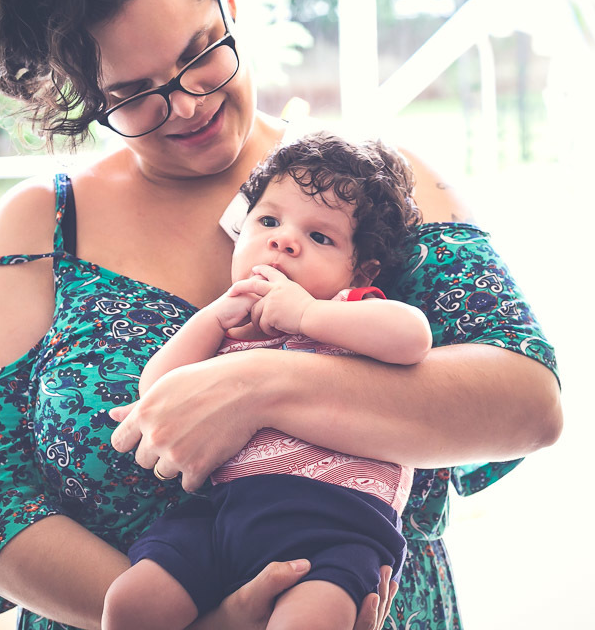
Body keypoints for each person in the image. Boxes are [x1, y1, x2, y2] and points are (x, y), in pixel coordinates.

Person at [0, 0, 562, 630]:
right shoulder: (40, 230)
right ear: (86, 96)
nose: (191, 104)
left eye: (202, 51)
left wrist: (259, 386)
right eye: (135, 94)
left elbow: (529, 401)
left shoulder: (377, 186)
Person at [103, 132, 431, 630]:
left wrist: (306, 315)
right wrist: (212, 319)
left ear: (358, 270)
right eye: (268, 221)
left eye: (320, 237)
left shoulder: (348, 311)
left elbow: (413, 338)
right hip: (220, 519)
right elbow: (157, 393)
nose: (284, 240)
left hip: (337, 529)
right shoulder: (227, 328)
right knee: (129, 606)